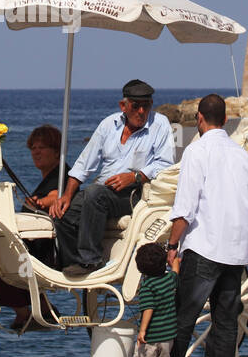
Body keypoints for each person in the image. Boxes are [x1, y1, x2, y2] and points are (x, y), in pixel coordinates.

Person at [167, 93, 248, 357]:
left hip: (204, 247)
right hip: (235, 251)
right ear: (227, 120)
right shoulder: (242, 155)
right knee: (225, 323)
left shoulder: (197, 151)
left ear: (199, 120)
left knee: (182, 319)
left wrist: (171, 244)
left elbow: (185, 207)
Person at [48, 79, 175, 275]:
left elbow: (165, 163)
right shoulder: (108, 125)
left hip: (135, 193)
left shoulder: (160, 124)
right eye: (136, 106)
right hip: (103, 191)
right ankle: (70, 262)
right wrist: (66, 196)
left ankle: (90, 260)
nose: (142, 111)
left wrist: (135, 176)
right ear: (123, 106)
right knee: (61, 213)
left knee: (94, 193)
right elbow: (83, 164)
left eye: (146, 105)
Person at [0, 125, 61, 331]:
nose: (36, 152)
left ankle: (24, 310)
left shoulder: (62, 176)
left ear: (56, 151)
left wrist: (42, 201)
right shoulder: (49, 177)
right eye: (33, 148)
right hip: (39, 243)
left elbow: (57, 196)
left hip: (51, 249)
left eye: (42, 147)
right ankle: (41, 306)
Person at [120, 243, 182, 357]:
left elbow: (148, 309)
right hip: (169, 333)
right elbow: (176, 271)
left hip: (153, 335)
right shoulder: (170, 280)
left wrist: (142, 331)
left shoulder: (148, 286)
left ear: (141, 268)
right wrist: (174, 260)